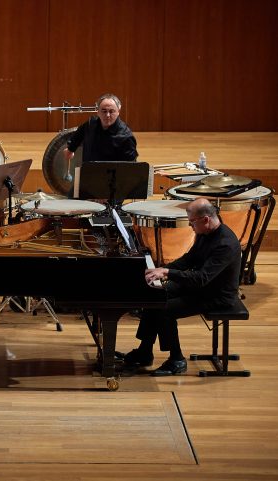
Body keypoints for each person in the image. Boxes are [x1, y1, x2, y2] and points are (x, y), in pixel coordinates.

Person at [120, 197, 241, 375]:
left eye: (192, 222)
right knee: (154, 296)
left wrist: (168, 273)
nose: (190, 226)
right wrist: (162, 269)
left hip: (217, 296)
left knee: (165, 310)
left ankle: (177, 359)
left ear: (205, 219)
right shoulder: (205, 233)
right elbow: (189, 259)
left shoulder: (225, 245)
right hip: (202, 288)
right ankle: (145, 352)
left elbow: (201, 278)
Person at [63, 93, 138, 164]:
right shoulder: (90, 124)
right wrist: (70, 149)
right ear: (98, 111)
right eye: (104, 111)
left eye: (111, 111)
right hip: (88, 170)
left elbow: (130, 166)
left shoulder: (126, 137)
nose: (107, 115)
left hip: (111, 173)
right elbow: (79, 134)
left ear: (118, 111)